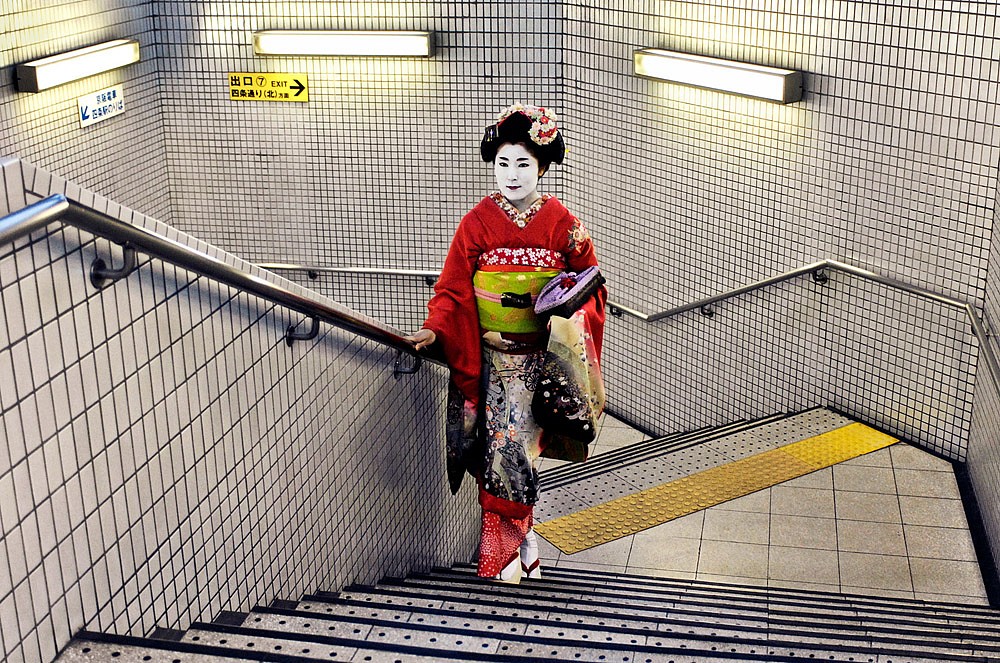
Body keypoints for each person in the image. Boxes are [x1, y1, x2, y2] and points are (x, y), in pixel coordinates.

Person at [407, 103, 606, 583]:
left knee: (518, 454)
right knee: (505, 451)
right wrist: (436, 328)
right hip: (496, 362)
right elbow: (454, 288)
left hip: (544, 359)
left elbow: (592, 283)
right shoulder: (477, 222)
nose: (512, 175)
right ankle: (516, 553)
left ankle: (519, 546)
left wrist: (572, 307)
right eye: (502, 163)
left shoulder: (564, 223)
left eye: (523, 164)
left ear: (542, 166)